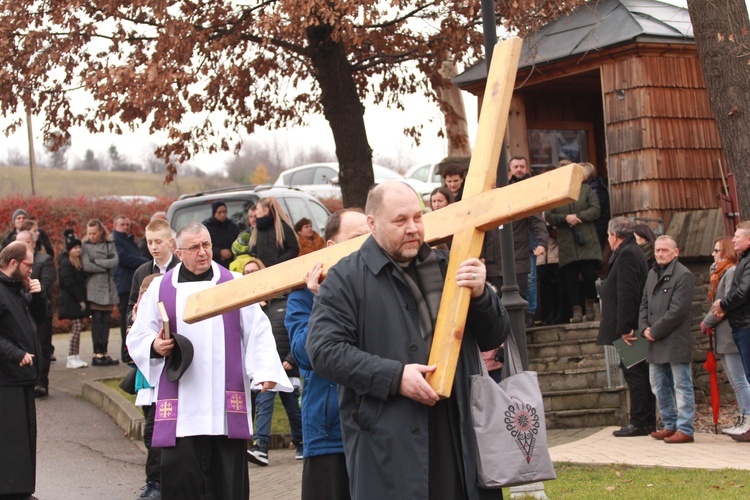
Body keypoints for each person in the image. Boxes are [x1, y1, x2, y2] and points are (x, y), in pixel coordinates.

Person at [307, 181, 509, 500]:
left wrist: (483, 295)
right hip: (389, 443)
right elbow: (324, 352)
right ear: (372, 224)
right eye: (401, 221)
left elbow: (493, 336)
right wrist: (396, 377)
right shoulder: (345, 279)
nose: (413, 228)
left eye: (418, 217)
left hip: (460, 434)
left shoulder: (448, 267)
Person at [127, 222, 291, 499]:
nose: (203, 252)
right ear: (178, 252)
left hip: (223, 405)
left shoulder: (235, 284)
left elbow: (258, 331)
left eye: (207, 245)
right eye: (194, 247)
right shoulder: (160, 289)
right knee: (182, 483)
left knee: (226, 484)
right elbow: (138, 335)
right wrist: (154, 345)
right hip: (182, 404)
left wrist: (264, 370)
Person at [285, 209, 369, 500]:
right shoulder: (303, 296)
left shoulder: (381, 284)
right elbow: (308, 355)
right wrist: (326, 301)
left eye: (371, 236)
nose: (367, 244)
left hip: (378, 428)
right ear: (332, 247)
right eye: (358, 238)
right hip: (329, 434)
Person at [597, 217, 655, 437]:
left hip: (629, 327)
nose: (609, 241)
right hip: (630, 324)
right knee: (637, 372)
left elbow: (627, 292)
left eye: (609, 236)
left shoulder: (627, 253)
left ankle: (640, 421)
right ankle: (646, 420)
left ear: (614, 235)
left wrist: (625, 326)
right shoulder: (630, 251)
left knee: (635, 374)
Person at [246, 259, 303, 467]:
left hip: (287, 366)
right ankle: (260, 446)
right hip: (266, 369)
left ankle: (301, 442)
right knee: (264, 404)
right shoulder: (250, 307)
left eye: (254, 271)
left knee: (293, 409)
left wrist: (291, 358)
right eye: (247, 272)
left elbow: (298, 331)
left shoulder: (286, 303)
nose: (250, 274)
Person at [640, 235, 695, 444]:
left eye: (664, 250)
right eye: (657, 250)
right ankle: (669, 424)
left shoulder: (684, 275)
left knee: (681, 385)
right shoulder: (652, 273)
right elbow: (644, 303)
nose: (660, 254)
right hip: (654, 339)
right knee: (658, 385)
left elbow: (678, 311)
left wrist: (655, 330)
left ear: (676, 252)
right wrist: (644, 327)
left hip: (674, 339)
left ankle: (685, 428)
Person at [0, 241, 43, 498]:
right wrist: (15, 354)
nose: (32, 270)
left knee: (26, 438)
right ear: (13, 263)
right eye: (28, 265)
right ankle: (11, 490)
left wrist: (38, 296)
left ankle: (22, 489)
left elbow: (40, 320)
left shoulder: (17, 289)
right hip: (6, 378)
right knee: (11, 440)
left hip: (23, 376)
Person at [702, 236, 750, 436]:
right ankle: (743, 416)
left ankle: (747, 418)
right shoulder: (717, 274)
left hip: (731, 333)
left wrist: (707, 321)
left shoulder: (730, 271)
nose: (713, 254)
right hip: (724, 335)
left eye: (716, 250)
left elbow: (727, 301)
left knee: (740, 380)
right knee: (735, 380)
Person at [545, 165, 602, 323]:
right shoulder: (556, 193)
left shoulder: (586, 190)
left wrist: (578, 217)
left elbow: (596, 209)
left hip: (586, 240)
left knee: (589, 275)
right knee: (570, 278)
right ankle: (576, 310)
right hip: (567, 242)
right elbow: (549, 215)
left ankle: (590, 306)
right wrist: (565, 218)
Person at [15, 229, 56, 397]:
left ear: (33, 243)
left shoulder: (44, 260)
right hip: (22, 311)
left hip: (40, 310)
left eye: (25, 242)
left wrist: (34, 290)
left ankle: (41, 382)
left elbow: (46, 282)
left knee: (42, 348)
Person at [82, 219, 120, 366]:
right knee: (97, 322)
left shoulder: (110, 244)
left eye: (94, 233)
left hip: (108, 287)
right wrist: (105, 264)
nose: (91, 236)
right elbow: (86, 266)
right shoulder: (86, 246)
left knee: (106, 321)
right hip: (94, 288)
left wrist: (97, 261)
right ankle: (96, 353)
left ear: (101, 232)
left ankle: (105, 352)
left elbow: (115, 261)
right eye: (89, 233)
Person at [128, 219, 179, 325]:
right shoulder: (141, 272)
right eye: (149, 242)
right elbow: (131, 306)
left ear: (170, 242)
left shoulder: (182, 268)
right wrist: (132, 317)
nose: (153, 247)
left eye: (158, 242)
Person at [113, 215, 149, 363]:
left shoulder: (129, 240)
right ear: (115, 226)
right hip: (124, 284)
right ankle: (126, 352)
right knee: (127, 320)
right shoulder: (116, 241)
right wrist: (145, 263)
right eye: (122, 224)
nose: (125, 227)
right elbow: (124, 258)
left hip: (132, 283)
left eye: (127, 224)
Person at [57, 230, 90, 369]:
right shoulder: (66, 263)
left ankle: (75, 355)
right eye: (75, 248)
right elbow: (68, 282)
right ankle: (71, 356)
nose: (78, 250)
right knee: (76, 329)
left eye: (79, 247)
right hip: (71, 300)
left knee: (78, 328)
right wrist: (79, 299)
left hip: (75, 300)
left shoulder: (78, 262)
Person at [247, 196, 299, 267]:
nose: (255, 213)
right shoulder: (257, 230)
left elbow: (294, 249)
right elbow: (253, 250)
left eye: (258, 209)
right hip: (263, 271)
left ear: (265, 211)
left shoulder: (282, 228)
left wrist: (279, 261)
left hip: (282, 270)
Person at [203, 200, 240, 269]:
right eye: (219, 212)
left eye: (224, 212)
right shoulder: (207, 227)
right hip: (213, 264)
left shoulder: (232, 226)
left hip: (232, 263)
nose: (222, 214)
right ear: (214, 213)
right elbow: (203, 247)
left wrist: (230, 252)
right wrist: (219, 253)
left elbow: (238, 243)